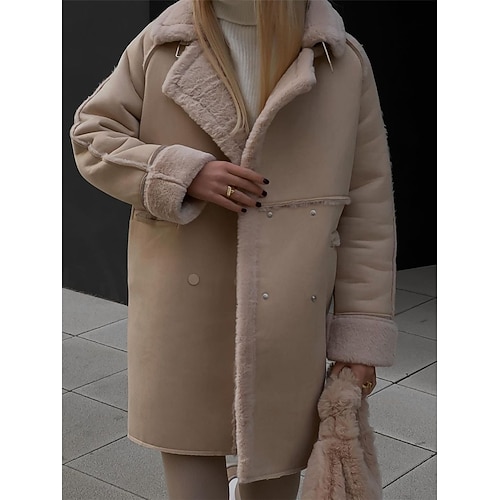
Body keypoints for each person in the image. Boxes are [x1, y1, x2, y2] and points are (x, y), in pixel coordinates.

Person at [70, 0, 398, 498]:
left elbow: (368, 209)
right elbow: (92, 135)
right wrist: (178, 173)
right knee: (191, 472)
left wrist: (360, 337)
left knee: (274, 473)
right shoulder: (164, 41)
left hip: (289, 314)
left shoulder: (340, 60)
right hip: (181, 306)